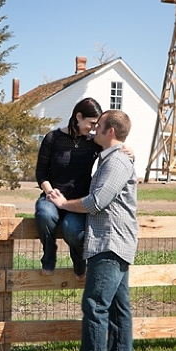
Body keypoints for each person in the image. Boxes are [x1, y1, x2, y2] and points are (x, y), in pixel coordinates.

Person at [47, 110, 138, 351]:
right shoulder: (112, 159)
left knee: (95, 305)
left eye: (99, 127)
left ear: (111, 132)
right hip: (114, 241)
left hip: (109, 242)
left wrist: (63, 205)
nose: (94, 130)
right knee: (117, 307)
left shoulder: (117, 163)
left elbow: (97, 202)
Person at [34, 98, 134, 279]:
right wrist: (50, 192)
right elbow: (41, 173)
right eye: (91, 123)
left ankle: (79, 263)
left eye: (97, 125)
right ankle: (48, 257)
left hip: (79, 200)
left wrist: (130, 152)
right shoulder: (52, 139)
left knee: (71, 229)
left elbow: (114, 146)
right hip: (53, 194)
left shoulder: (93, 142)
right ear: (78, 117)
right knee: (44, 215)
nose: (94, 128)